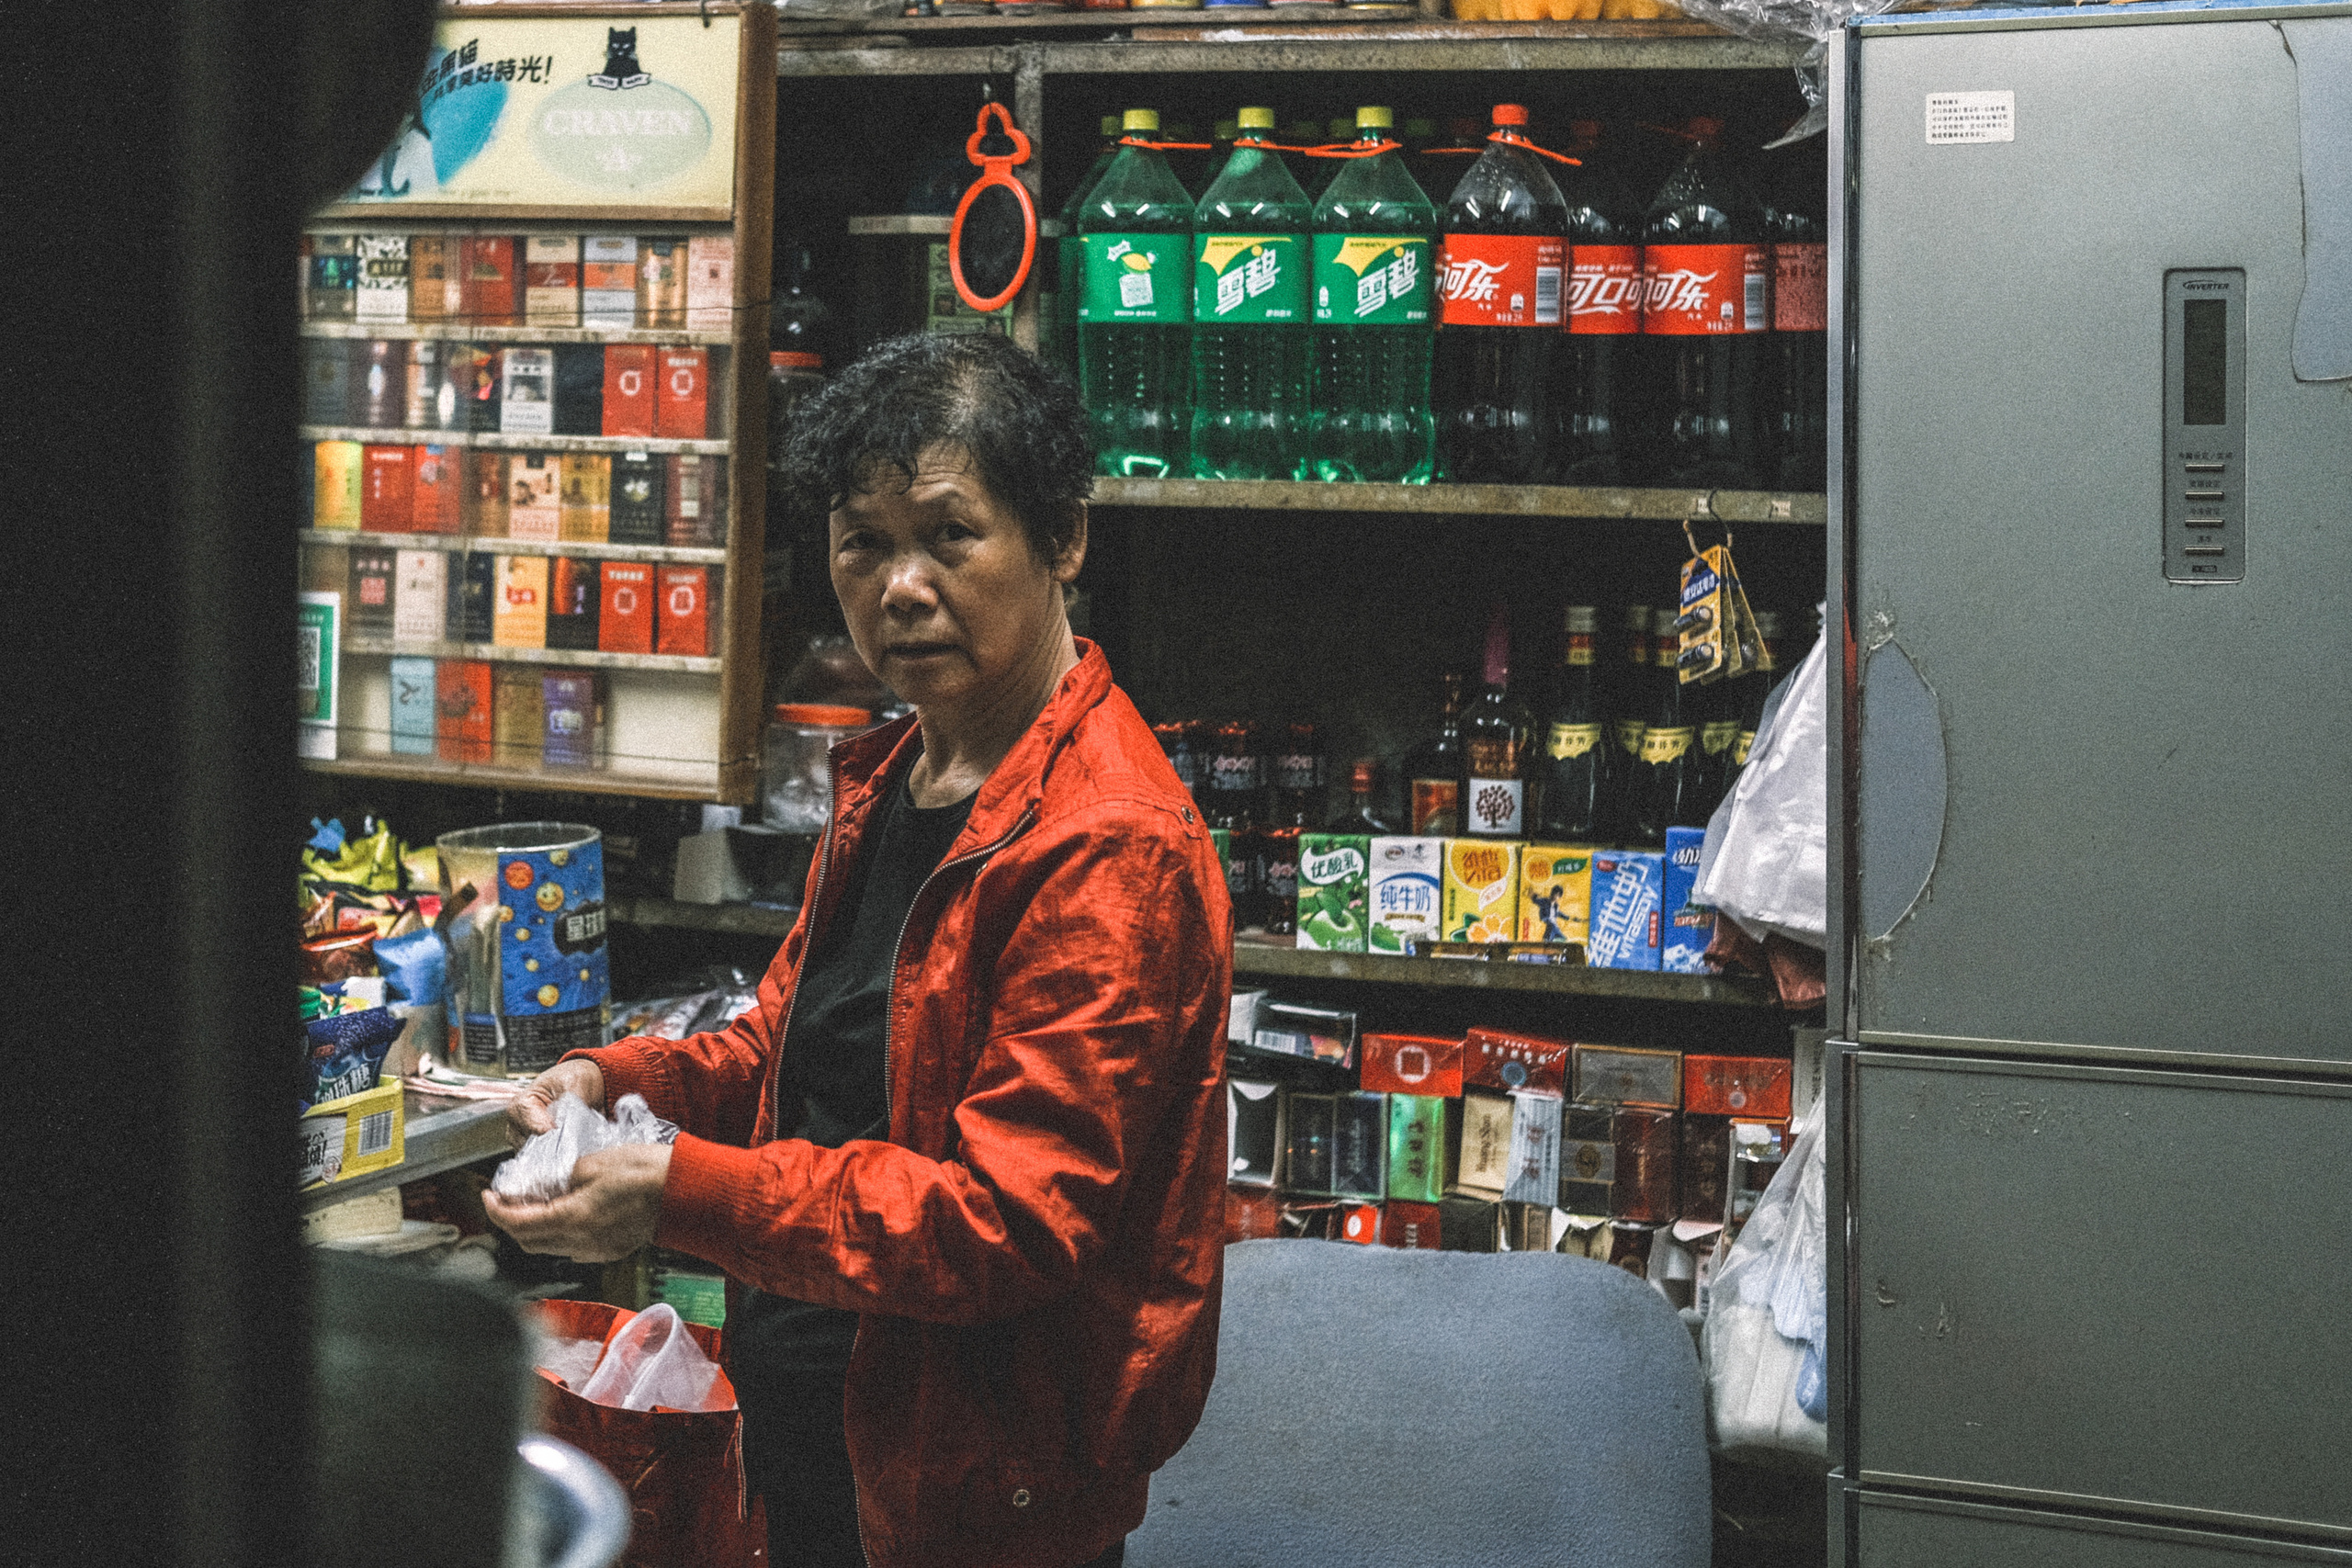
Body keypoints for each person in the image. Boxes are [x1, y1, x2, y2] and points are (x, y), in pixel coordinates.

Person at [484, 332, 1233, 1568]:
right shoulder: (904, 771)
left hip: (974, 1499)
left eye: (950, 535)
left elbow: (1005, 1224)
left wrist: (677, 1188)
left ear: (1064, 539)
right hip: (824, 1438)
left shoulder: (1107, 844)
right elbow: (797, 1046)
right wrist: (618, 1085)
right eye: (864, 541)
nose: (900, 586)